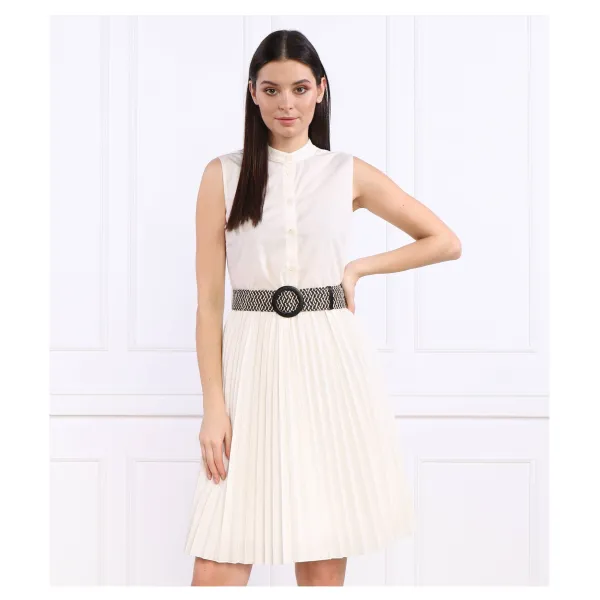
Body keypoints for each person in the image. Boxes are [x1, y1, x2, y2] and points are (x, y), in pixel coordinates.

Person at [184, 29, 461, 586]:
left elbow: (444, 241)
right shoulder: (223, 175)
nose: (286, 103)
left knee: (321, 556)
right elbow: (209, 303)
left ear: (321, 90)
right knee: (218, 562)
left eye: (300, 88)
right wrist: (214, 405)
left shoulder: (345, 173)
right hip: (250, 366)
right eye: (271, 89)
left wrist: (357, 269)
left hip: (328, 364)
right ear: (253, 93)